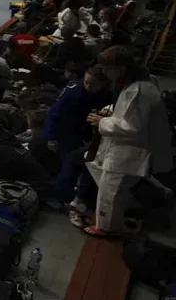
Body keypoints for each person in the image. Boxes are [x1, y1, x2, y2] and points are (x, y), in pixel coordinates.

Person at [76, 46, 174, 236]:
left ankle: (107, 228)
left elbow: (133, 127)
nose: (104, 72)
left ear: (121, 67)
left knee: (110, 190)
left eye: (107, 68)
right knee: (98, 168)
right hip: (131, 146)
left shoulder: (137, 90)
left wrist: (102, 121)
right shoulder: (140, 82)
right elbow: (134, 116)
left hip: (131, 149)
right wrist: (113, 113)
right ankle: (155, 194)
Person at [44, 66, 112, 205]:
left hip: (90, 134)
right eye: (86, 82)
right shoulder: (72, 92)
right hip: (68, 133)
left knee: (88, 169)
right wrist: (51, 137)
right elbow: (55, 114)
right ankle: (62, 198)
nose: (88, 86)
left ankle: (83, 197)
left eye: (93, 85)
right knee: (69, 168)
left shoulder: (107, 95)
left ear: (103, 84)